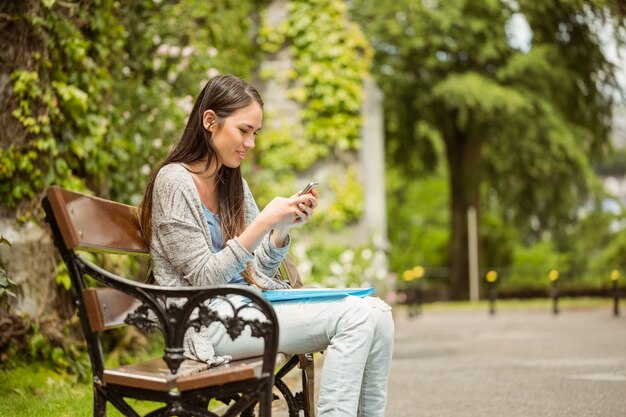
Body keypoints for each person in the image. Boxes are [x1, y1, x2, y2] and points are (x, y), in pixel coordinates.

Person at [139, 74, 394, 417]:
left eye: (254, 133)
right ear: (209, 121)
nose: (251, 143)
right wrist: (262, 223)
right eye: (244, 131)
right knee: (357, 317)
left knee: (379, 313)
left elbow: (254, 272)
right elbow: (202, 278)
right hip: (207, 324)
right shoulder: (173, 181)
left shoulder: (233, 184)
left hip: (249, 309)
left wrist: (279, 231)